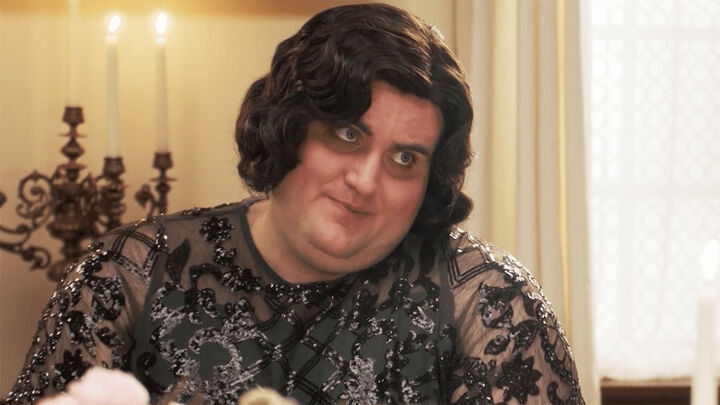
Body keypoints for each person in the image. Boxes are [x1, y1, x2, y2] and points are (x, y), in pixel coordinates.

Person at [3, 4, 584, 404]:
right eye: (348, 134)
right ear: (286, 128)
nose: (365, 180)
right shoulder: (129, 272)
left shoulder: (488, 300)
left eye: (404, 158)